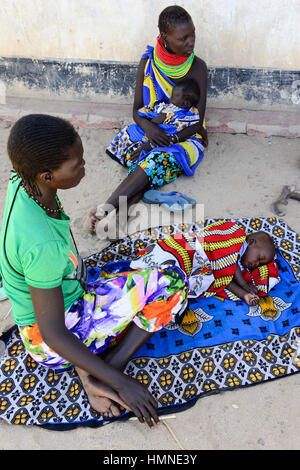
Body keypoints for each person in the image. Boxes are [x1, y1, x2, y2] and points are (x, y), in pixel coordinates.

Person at [0, 114, 189, 426]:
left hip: (58, 301)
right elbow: (54, 333)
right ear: (47, 175)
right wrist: (120, 381)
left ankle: (94, 368)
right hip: (52, 339)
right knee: (171, 280)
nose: (84, 166)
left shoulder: (22, 179)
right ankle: (106, 371)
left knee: (137, 268)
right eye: (76, 164)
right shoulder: (42, 245)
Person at [87, 5, 207, 235]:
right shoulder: (148, 62)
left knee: (153, 159)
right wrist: (151, 132)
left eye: (193, 34)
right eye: (183, 38)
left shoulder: (198, 67)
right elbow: (137, 110)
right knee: (132, 142)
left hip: (183, 133)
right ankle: (120, 217)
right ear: (165, 38)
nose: (191, 42)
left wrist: (164, 139)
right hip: (153, 127)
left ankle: (106, 209)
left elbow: (197, 120)